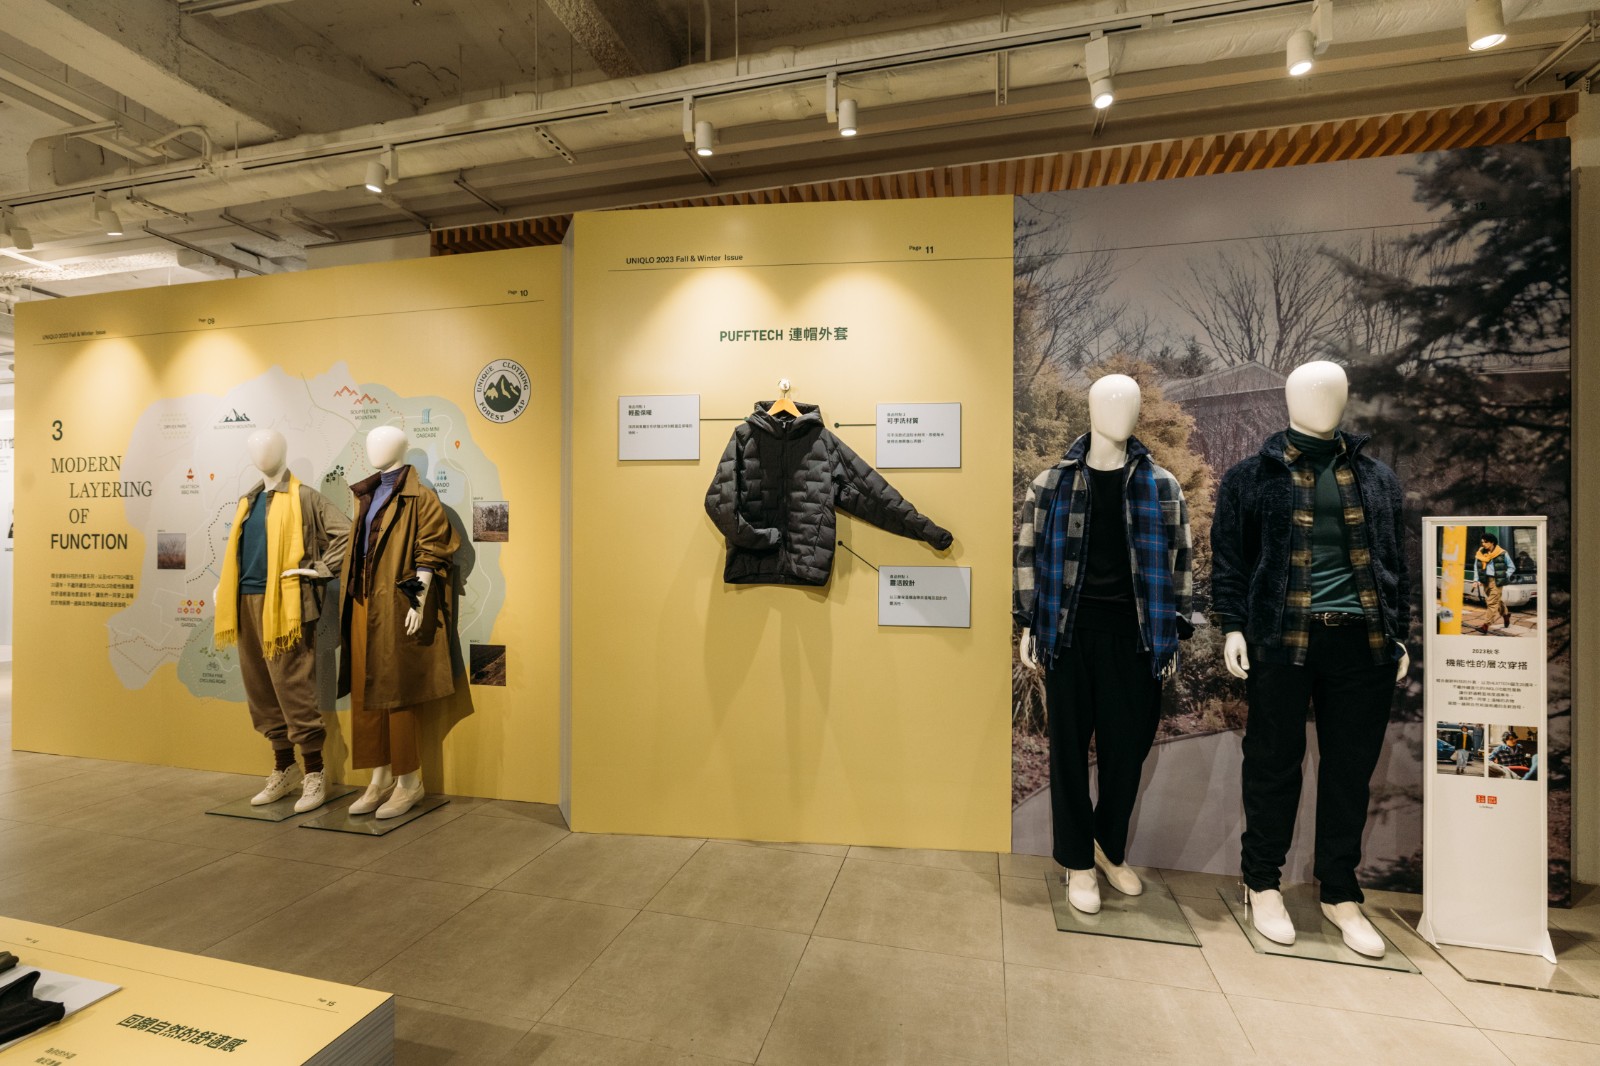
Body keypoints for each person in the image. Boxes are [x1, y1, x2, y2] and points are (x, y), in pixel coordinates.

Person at [1475, 533, 1514, 633]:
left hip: (1496, 581)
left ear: (1492, 542)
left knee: (1491, 603)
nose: (1483, 544)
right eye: (1482, 542)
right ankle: (1506, 615)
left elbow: (1511, 567)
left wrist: (1504, 576)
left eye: (1485, 542)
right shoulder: (1480, 552)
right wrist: (1476, 580)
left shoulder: (1502, 553)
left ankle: (1485, 625)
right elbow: (1476, 567)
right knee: (1497, 600)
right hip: (1485, 580)